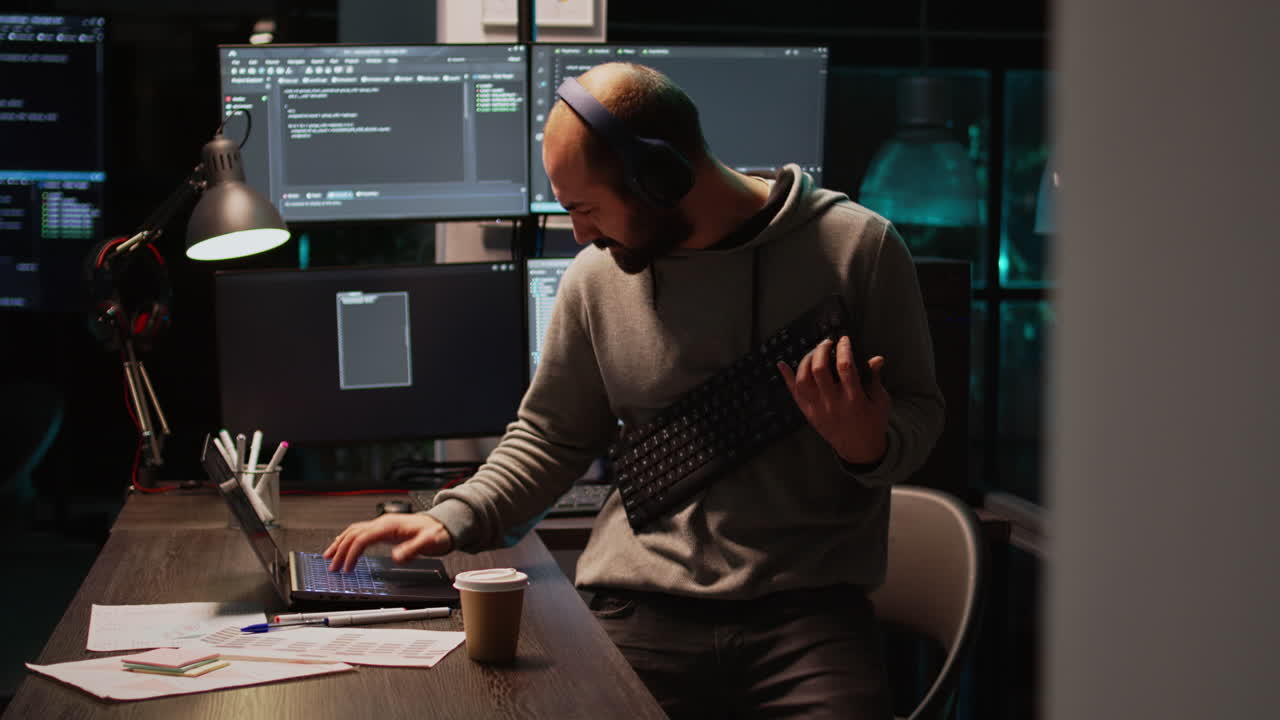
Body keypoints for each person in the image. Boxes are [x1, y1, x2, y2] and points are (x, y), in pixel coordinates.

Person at [325, 62, 944, 719]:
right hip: (639, 602)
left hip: (807, 612)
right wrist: (452, 517)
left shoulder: (858, 250)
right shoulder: (596, 280)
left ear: (661, 176)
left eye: (585, 209)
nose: (582, 236)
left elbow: (921, 417)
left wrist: (868, 444)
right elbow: (550, 436)